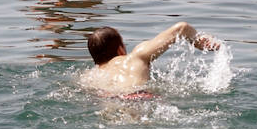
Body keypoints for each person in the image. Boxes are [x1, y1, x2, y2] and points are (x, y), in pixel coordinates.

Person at [81, 22, 220, 96]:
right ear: (120, 49)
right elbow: (181, 28)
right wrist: (200, 42)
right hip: (140, 99)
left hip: (112, 102)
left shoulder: (89, 77)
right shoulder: (134, 58)